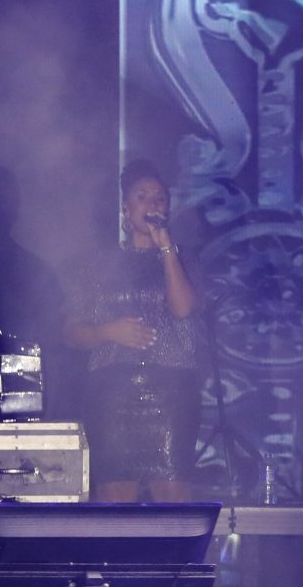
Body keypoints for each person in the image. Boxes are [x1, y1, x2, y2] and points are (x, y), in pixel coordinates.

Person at [64, 161, 201, 503]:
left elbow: (183, 309)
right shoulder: (98, 264)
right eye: (142, 196)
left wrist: (166, 247)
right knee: (115, 502)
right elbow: (71, 332)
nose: (152, 203)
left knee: (173, 503)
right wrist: (109, 331)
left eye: (159, 198)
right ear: (126, 209)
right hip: (112, 394)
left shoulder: (182, 259)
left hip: (171, 394)